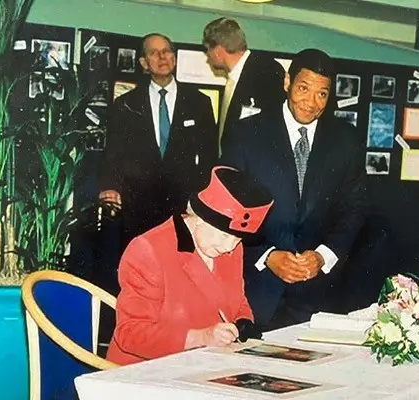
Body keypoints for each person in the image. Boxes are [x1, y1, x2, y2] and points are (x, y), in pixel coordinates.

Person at [220, 48, 367, 331]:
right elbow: (228, 208)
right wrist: (267, 255)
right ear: (287, 82)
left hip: (319, 295)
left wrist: (324, 255)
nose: (311, 103)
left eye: (322, 94)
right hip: (255, 288)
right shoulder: (245, 134)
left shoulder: (345, 140)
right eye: (303, 88)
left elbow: (355, 208)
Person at [107, 166, 274, 365]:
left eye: (238, 239)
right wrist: (200, 338)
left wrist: (243, 323)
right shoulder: (148, 249)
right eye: (225, 235)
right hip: (146, 372)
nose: (230, 247)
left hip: (205, 365)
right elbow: (130, 334)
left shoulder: (229, 247)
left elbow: (237, 302)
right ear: (199, 218)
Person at [99, 33, 217, 255]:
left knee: (179, 269)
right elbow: (113, 153)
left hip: (183, 207)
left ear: (174, 57)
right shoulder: (126, 104)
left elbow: (209, 156)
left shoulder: (199, 102)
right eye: (154, 53)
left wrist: (201, 201)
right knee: (140, 267)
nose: (162, 57)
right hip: (138, 206)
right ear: (144, 62)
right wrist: (110, 186)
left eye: (167, 51)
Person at [202, 17, 285, 154]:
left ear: (217, 50)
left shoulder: (267, 70)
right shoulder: (234, 78)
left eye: (207, 50)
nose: (207, 57)